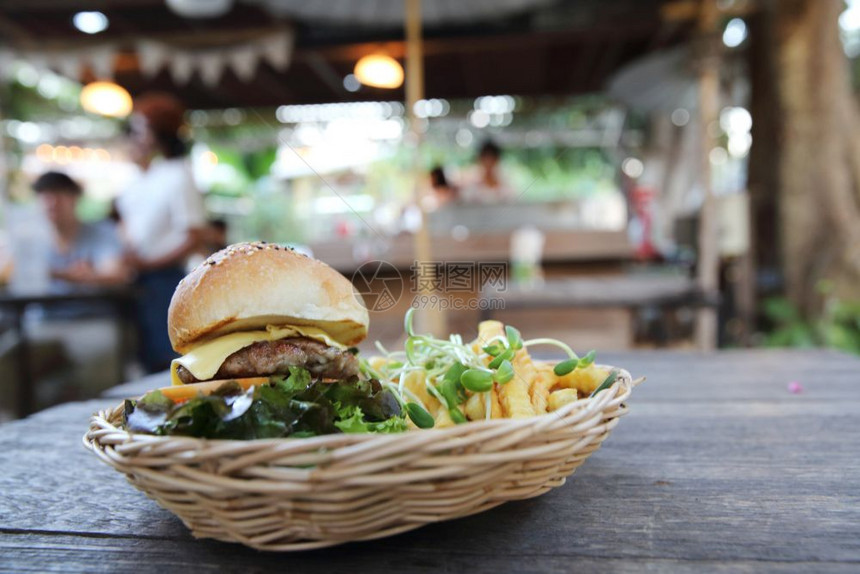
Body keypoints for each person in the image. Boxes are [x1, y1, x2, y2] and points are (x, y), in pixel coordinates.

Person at [117, 92, 205, 373]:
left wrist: (149, 263)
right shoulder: (151, 173)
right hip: (140, 278)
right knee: (143, 355)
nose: (137, 135)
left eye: (142, 128)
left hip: (167, 280)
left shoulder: (180, 173)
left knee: (166, 355)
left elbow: (194, 235)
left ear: (159, 132)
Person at [31, 171, 127, 290]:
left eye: (58, 196)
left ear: (75, 198)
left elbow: (116, 273)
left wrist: (59, 274)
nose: (52, 204)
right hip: (43, 307)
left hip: (89, 306)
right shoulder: (29, 239)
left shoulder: (102, 232)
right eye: (46, 197)